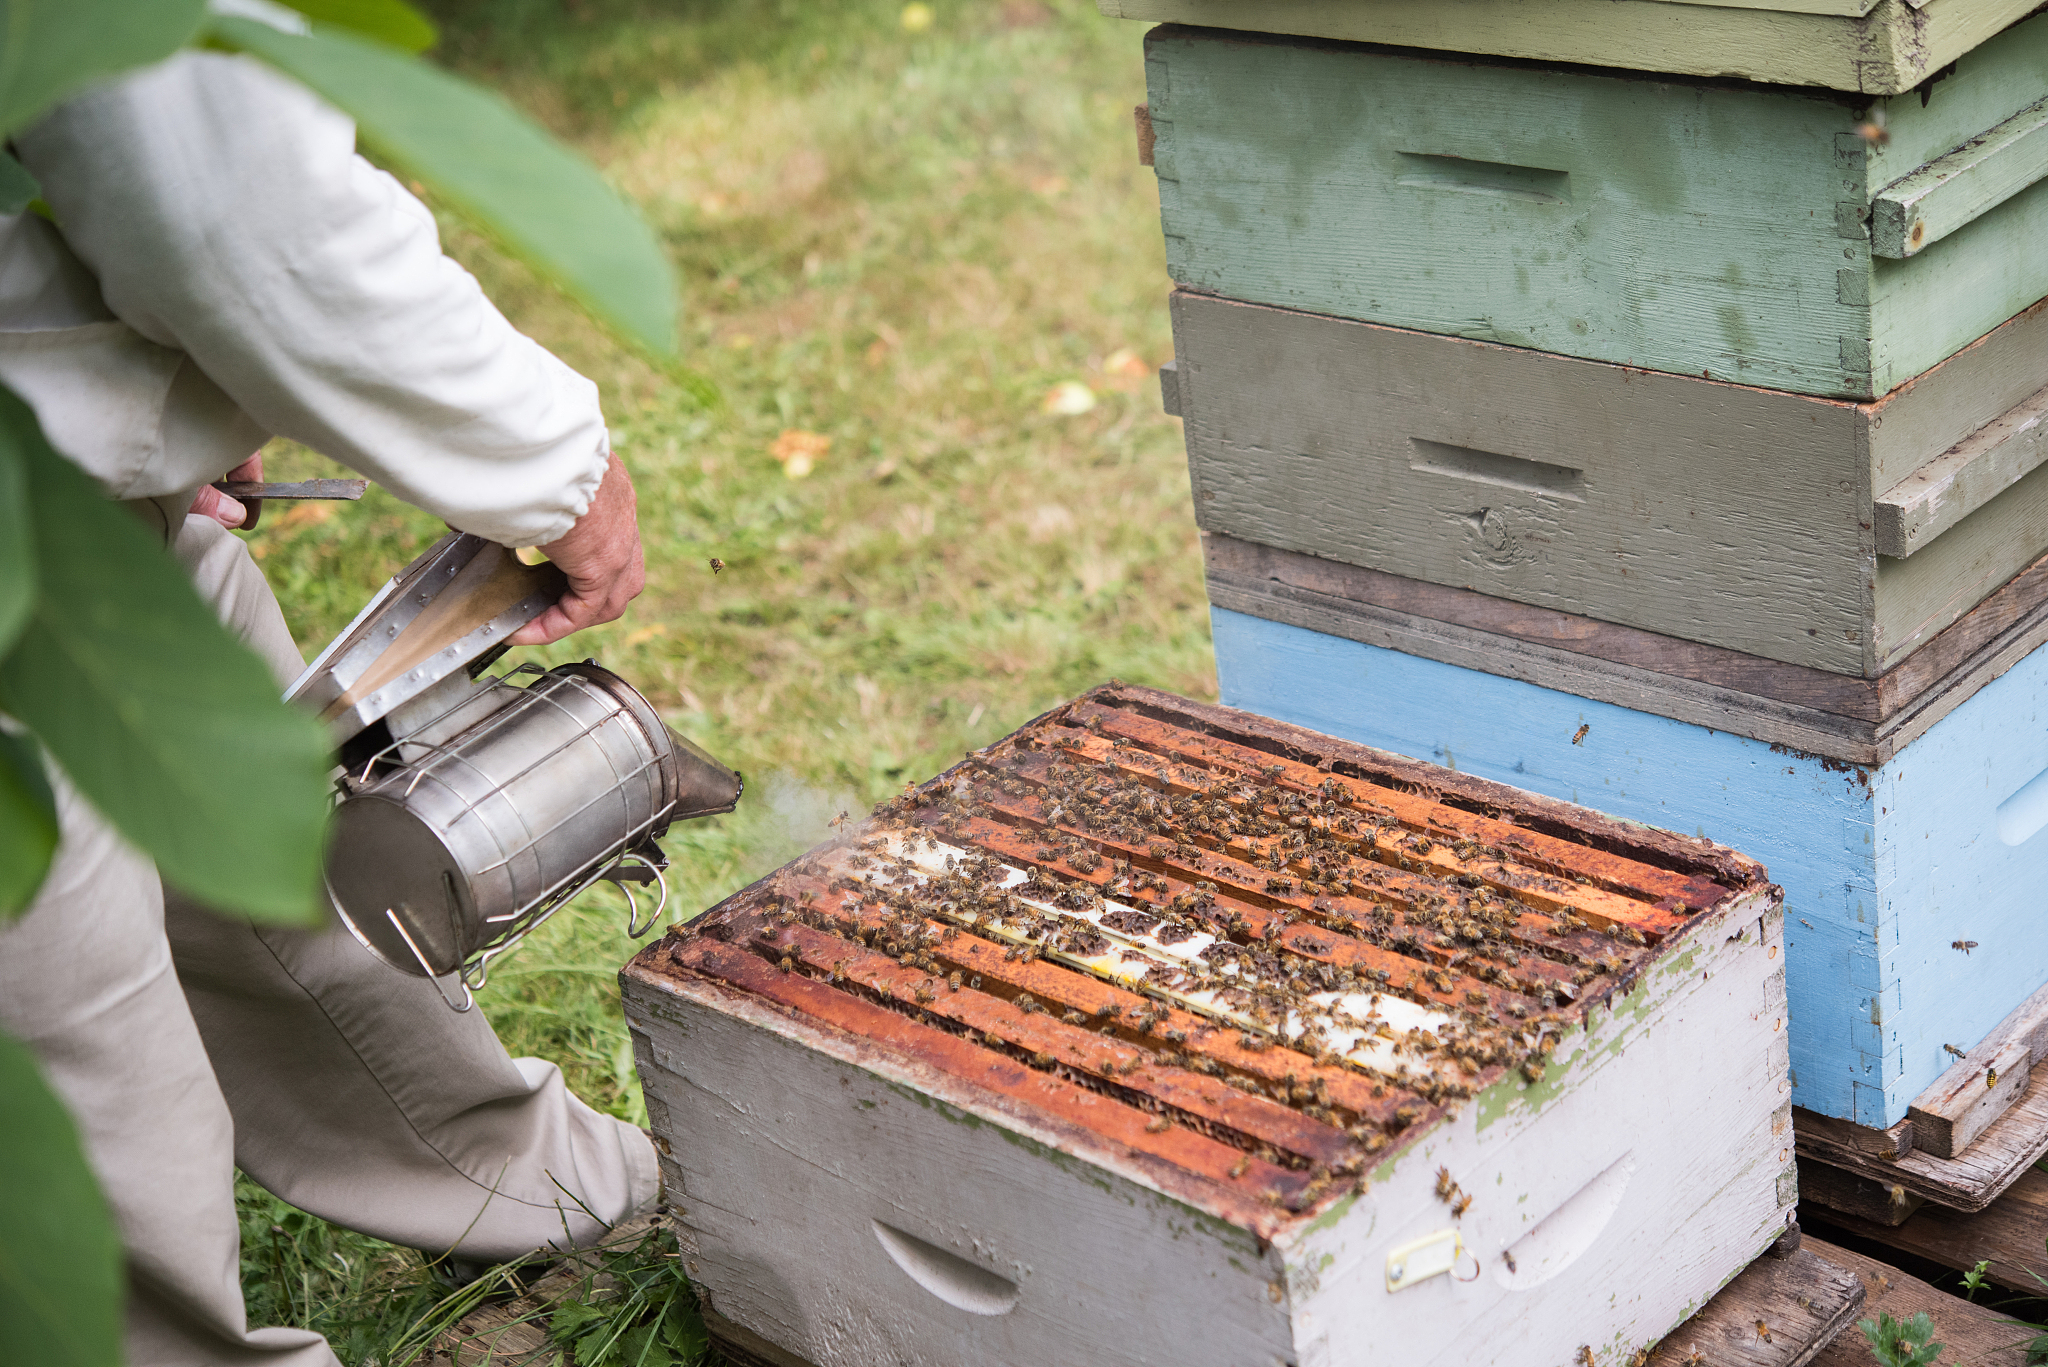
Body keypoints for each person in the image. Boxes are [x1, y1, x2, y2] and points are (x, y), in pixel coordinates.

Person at [0, 44, 659, 1367]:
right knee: (74, 1026)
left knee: (267, 849)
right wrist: (552, 463)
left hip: (55, 486)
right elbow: (216, 189)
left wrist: (136, 394)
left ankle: (518, 1184)